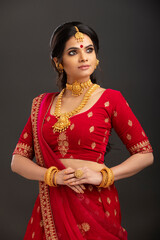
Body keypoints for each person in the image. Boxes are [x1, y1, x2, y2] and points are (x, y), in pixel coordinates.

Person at [11, 21, 154, 240]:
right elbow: (17, 161)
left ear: (96, 57)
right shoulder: (42, 104)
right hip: (53, 202)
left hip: (95, 202)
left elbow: (145, 154)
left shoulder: (111, 99)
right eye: (73, 52)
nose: (83, 57)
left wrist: (104, 176)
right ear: (58, 62)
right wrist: (53, 176)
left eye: (89, 50)